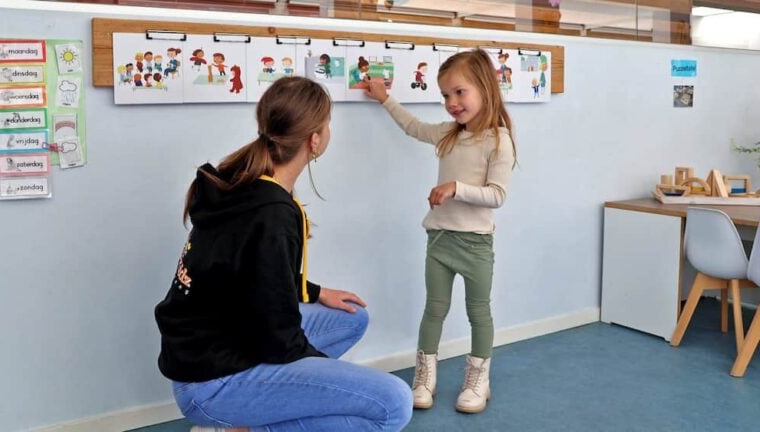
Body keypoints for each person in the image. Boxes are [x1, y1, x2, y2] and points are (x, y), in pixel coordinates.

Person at [155, 76, 412, 432]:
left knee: (351, 318)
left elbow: (254, 276)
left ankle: (249, 415)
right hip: (213, 382)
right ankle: (241, 427)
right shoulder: (271, 212)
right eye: (327, 124)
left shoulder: (244, 181)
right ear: (315, 140)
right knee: (393, 404)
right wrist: (327, 378)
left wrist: (319, 292)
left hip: (214, 348)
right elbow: (278, 338)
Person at [365, 49, 516, 414]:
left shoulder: (499, 140)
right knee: (434, 309)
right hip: (440, 239)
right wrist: (386, 99)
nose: (451, 103)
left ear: (485, 88)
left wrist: (455, 188)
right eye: (446, 95)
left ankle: (479, 379)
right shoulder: (449, 135)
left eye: (459, 92)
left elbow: (497, 195)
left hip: (476, 244)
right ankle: (424, 376)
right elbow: (414, 127)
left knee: (478, 312)